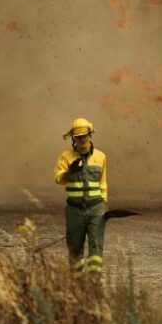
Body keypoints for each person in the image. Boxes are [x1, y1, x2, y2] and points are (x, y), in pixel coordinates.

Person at [54, 118, 108, 279]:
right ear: (73, 138)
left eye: (85, 136)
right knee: (75, 248)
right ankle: (77, 284)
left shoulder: (100, 157)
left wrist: (104, 201)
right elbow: (57, 179)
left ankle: (95, 282)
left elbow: (103, 182)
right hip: (74, 210)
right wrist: (68, 172)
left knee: (96, 246)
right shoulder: (65, 157)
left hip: (96, 208)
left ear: (91, 135)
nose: (82, 139)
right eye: (78, 137)